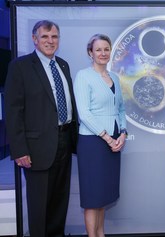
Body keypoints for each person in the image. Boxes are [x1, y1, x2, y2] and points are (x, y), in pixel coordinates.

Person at [4, 20, 78, 237]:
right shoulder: (20, 66)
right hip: (36, 148)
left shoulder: (63, 65)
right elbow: (13, 110)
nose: (50, 41)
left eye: (54, 36)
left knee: (59, 200)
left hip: (64, 140)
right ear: (34, 39)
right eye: (44, 37)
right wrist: (19, 150)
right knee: (39, 205)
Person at [73, 33, 127, 237]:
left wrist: (122, 133)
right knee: (92, 197)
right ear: (90, 53)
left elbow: (121, 108)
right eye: (98, 49)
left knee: (104, 196)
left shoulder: (114, 77)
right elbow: (84, 113)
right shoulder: (83, 76)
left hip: (114, 141)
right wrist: (107, 137)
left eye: (106, 49)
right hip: (93, 142)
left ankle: (101, 234)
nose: (103, 53)